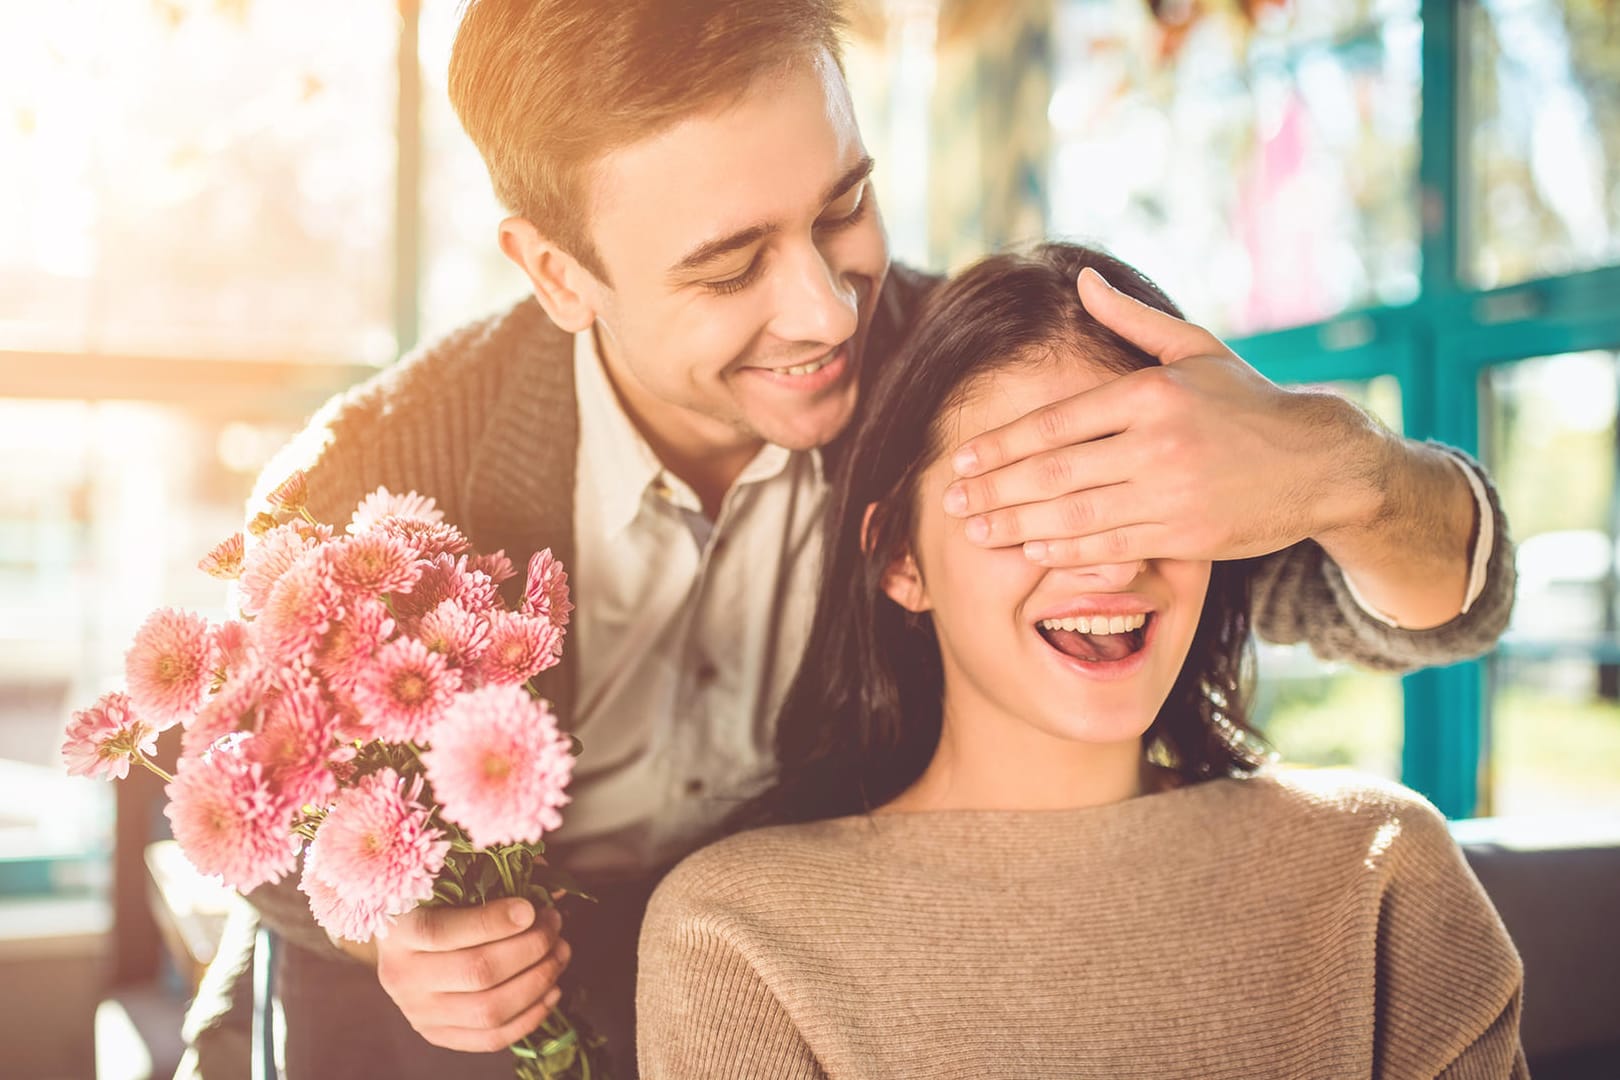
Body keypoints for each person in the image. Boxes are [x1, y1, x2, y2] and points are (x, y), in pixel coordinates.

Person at [179, 2, 1515, 1077]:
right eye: (728, 265)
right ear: (556, 270)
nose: (826, 312)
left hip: (795, 1005)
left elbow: (1407, 599)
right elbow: (239, 800)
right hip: (425, 1037)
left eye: (844, 207)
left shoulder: (966, 381)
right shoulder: (378, 478)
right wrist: (390, 929)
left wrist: (1345, 472)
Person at [635, 243, 1527, 1079]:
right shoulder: (735, 935)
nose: (1110, 564)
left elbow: (1454, 589)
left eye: (1144, 498)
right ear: (901, 560)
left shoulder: (1378, 869)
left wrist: (1339, 457)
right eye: (1041, 502)